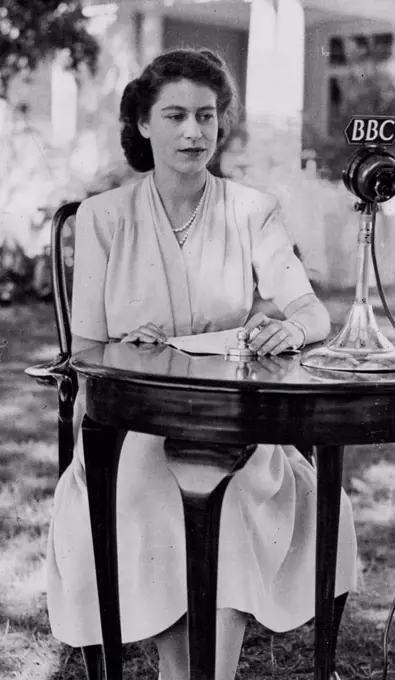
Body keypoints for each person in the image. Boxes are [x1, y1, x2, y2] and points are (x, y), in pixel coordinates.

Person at [46, 48, 357, 680]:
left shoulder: (252, 211)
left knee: (235, 498)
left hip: (232, 431)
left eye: (207, 117)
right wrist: (123, 345)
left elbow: (314, 314)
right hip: (133, 435)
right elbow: (82, 353)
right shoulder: (105, 218)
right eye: (175, 115)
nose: (193, 132)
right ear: (143, 124)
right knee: (153, 494)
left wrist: (290, 327)